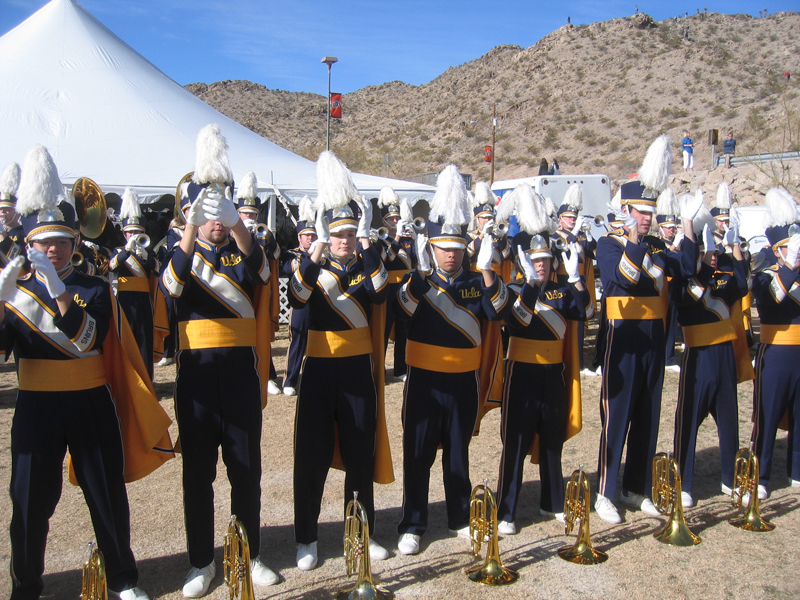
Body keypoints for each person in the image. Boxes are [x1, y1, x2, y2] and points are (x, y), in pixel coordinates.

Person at [3, 145, 173, 600]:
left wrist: (59, 292)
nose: (53, 250)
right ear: (29, 245)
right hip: (36, 405)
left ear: (75, 244)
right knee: (29, 499)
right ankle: (26, 584)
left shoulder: (95, 287)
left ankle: (122, 578)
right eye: (44, 243)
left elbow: (86, 341)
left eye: (61, 241)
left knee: (105, 494)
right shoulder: (13, 294)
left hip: (90, 400)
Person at [159, 125, 278, 598]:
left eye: (218, 211)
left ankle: (248, 554)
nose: (214, 220)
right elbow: (171, 287)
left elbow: (266, 273)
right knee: (198, 475)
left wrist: (237, 224)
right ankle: (200, 562)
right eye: (206, 213)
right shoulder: (177, 250)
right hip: (197, 382)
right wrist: (191, 224)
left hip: (240, 378)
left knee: (246, 469)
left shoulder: (242, 248)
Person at [394, 165, 508, 556]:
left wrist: (489, 271)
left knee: (458, 452)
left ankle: (459, 515)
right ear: (433, 248)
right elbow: (402, 311)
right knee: (418, 453)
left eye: (456, 248)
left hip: (463, 381)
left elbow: (497, 314)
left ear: (465, 249)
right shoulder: (420, 279)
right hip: (424, 380)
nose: (450, 253)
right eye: (443, 247)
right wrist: (421, 275)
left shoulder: (478, 280)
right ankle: (413, 522)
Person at [288, 151, 392, 571]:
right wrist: (313, 253)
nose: (344, 240)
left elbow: (382, 293)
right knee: (310, 455)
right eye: (339, 234)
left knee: (358, 455)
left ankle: (361, 534)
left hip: (356, 372)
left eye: (350, 233)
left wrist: (369, 242)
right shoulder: (311, 265)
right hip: (317, 369)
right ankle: (306, 539)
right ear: (326, 234)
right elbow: (296, 298)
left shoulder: (368, 263)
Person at [594, 136, 700, 525]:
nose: (647, 218)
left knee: (648, 415)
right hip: (623, 340)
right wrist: (634, 240)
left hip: (654, 341)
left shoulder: (656, 244)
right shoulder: (608, 244)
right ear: (624, 210)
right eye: (640, 212)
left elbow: (685, 269)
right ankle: (605, 491)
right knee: (617, 416)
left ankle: (635, 487)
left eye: (650, 212)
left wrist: (688, 226)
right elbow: (622, 279)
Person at [492, 184, 590, 535]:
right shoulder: (518, 289)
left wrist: (576, 276)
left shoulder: (564, 290)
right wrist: (531, 283)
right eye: (536, 261)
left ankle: (552, 501)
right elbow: (516, 321)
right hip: (521, 374)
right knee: (515, 444)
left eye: (546, 261)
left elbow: (587, 311)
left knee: (552, 440)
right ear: (524, 262)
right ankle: (506, 510)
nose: (543, 266)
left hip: (554, 375)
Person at [672, 217, 752, 507]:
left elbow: (742, 286)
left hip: (724, 355)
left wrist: (734, 246)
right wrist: (703, 261)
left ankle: (731, 479)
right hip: (699, 355)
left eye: (714, 252)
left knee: (730, 420)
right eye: (706, 251)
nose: (713, 255)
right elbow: (687, 299)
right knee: (688, 420)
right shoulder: (682, 281)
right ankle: (683, 481)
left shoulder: (723, 274)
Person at [752, 188, 800, 500]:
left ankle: (797, 470)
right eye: (790, 248)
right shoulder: (764, 272)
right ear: (777, 249)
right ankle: (760, 475)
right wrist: (789, 267)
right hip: (777, 350)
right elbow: (772, 299)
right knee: (768, 415)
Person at [108, 187, 157, 379]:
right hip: (125, 300)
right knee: (126, 337)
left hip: (144, 300)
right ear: (124, 234)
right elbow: (111, 267)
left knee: (144, 338)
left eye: (137, 232)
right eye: (130, 232)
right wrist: (126, 251)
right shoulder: (118, 251)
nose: (134, 235)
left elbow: (156, 270)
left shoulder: (148, 253)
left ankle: (146, 377)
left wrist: (145, 254)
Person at [553, 184, 597, 375]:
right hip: (562, 282)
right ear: (560, 219)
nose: (572, 220)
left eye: (574, 217)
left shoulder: (579, 236)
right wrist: (573, 234)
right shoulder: (556, 235)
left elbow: (594, 254)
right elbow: (557, 251)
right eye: (569, 218)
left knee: (579, 322)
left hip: (579, 281)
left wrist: (587, 234)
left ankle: (578, 363)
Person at [279, 196, 316, 396]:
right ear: (299, 238)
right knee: (298, 341)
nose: (310, 238)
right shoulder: (292, 254)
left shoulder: (324, 253)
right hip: (301, 304)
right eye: (306, 235)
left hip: (320, 302)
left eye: (313, 235)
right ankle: (289, 380)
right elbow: (288, 268)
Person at [377, 186, 414, 381]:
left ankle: (400, 368)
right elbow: (385, 259)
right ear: (384, 221)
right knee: (384, 329)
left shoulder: (408, 239)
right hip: (388, 288)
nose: (394, 221)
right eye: (390, 219)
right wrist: (396, 237)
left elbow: (415, 260)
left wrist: (414, 238)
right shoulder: (381, 240)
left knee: (403, 329)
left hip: (405, 287)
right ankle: (379, 368)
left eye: (396, 218)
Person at [0, 162, 25, 265]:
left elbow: (19, 259)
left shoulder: (24, 233)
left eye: (7, 209)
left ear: (17, 211)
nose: (2, 212)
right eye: (0, 208)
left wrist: (4, 237)